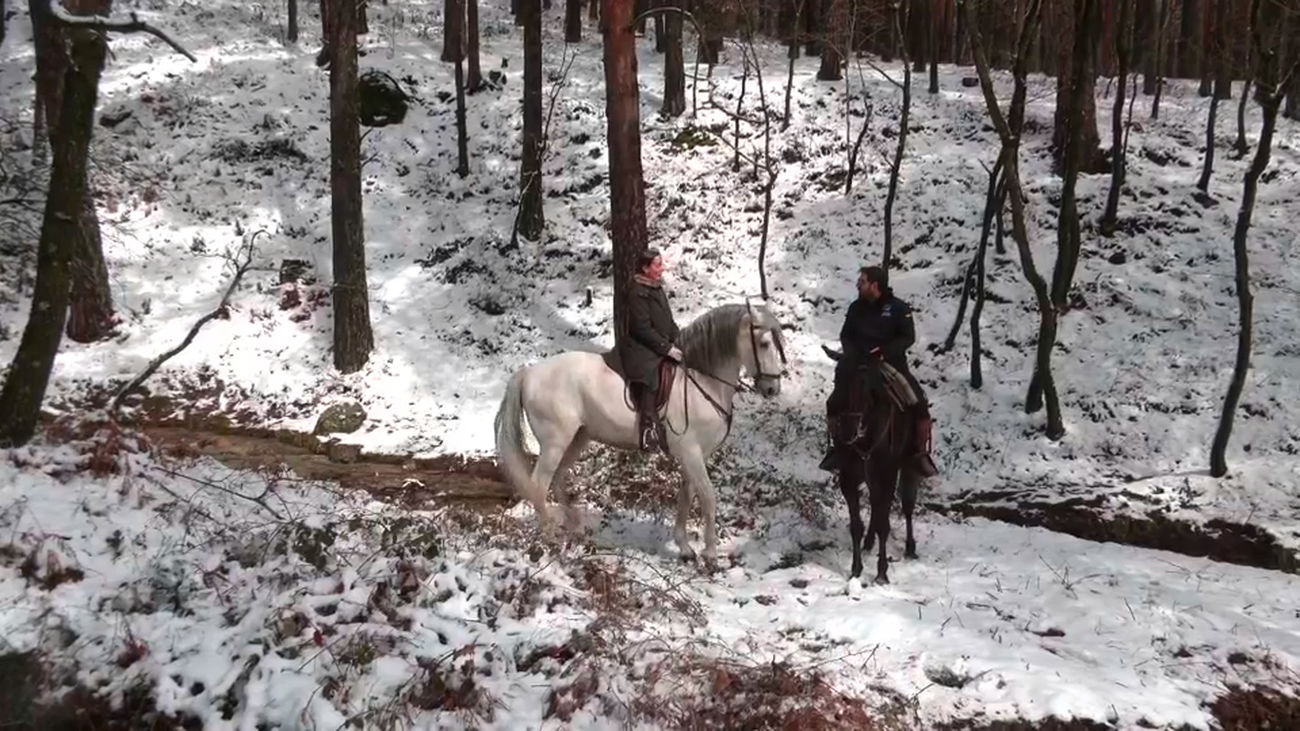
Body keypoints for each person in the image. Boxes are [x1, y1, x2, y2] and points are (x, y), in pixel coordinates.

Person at [820, 265, 938, 476]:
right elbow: (846, 334)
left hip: (890, 362)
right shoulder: (856, 308)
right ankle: (837, 448)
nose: (858, 284)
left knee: (917, 400)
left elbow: (907, 337)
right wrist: (852, 353)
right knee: (835, 399)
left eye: (862, 281)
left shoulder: (899, 308)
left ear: (875, 285)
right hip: (857, 361)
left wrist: (883, 352)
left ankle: (918, 453)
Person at [622, 248, 683, 452]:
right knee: (652, 375)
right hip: (640, 347)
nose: (661, 269)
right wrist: (666, 348)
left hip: (659, 343)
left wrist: (680, 339)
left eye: (661, 264)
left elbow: (668, 321)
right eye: (657, 265)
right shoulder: (637, 292)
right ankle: (648, 428)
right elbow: (641, 328)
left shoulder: (657, 288)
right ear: (645, 268)